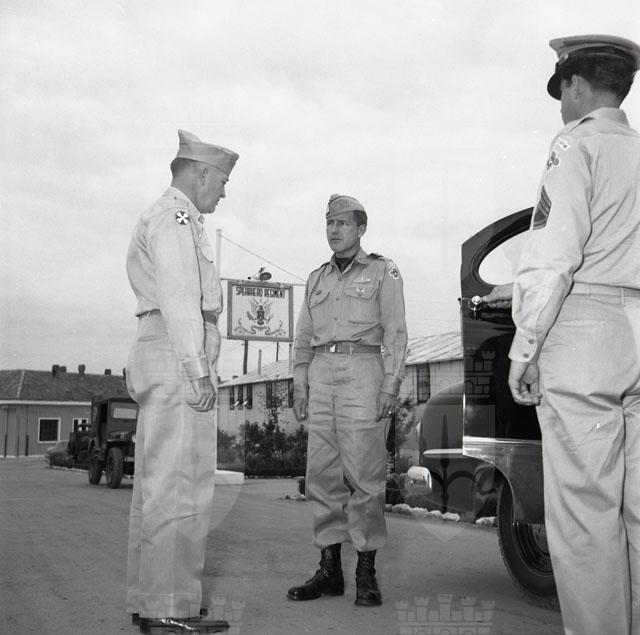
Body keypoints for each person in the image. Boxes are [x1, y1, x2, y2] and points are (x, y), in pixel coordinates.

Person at [506, 35, 640, 634]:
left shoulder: (576, 144)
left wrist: (526, 346)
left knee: (586, 517)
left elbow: (554, 253)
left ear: (577, 85)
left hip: (587, 334)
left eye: (561, 92)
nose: (561, 106)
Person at [125, 130, 238, 633]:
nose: (224, 191)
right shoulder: (177, 218)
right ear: (202, 174)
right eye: (222, 181)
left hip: (160, 346)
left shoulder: (166, 215)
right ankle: (170, 609)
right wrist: (198, 369)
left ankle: (150, 599)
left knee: (155, 486)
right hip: (177, 353)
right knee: (180, 486)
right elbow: (179, 296)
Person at [287, 194, 407, 607]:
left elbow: (396, 334)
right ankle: (330, 570)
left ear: (361, 228)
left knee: (364, 478)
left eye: (342, 223)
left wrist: (390, 386)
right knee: (321, 476)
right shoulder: (316, 279)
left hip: (363, 373)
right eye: (329, 222)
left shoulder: (382, 272)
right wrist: (300, 385)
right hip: (321, 375)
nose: (334, 230)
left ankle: (366, 574)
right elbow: (303, 339)